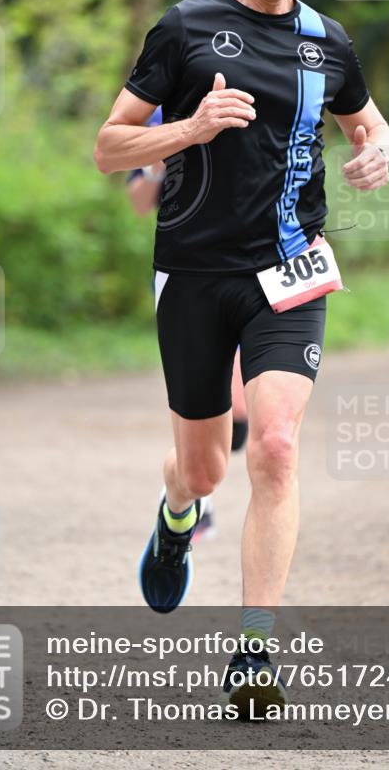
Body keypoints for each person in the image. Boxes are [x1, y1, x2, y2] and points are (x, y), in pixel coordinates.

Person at [94, 0, 389, 716]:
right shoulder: (184, 28)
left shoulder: (328, 42)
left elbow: (367, 124)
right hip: (192, 272)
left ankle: (255, 649)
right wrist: (188, 127)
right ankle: (176, 515)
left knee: (275, 447)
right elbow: (110, 147)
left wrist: (379, 153)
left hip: (291, 272)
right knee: (203, 467)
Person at [126, 107, 248, 543]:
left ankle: (197, 486)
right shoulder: (161, 112)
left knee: (240, 417)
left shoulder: (255, 86)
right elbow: (140, 202)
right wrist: (159, 162)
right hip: (189, 276)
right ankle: (197, 496)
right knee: (215, 403)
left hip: (253, 268)